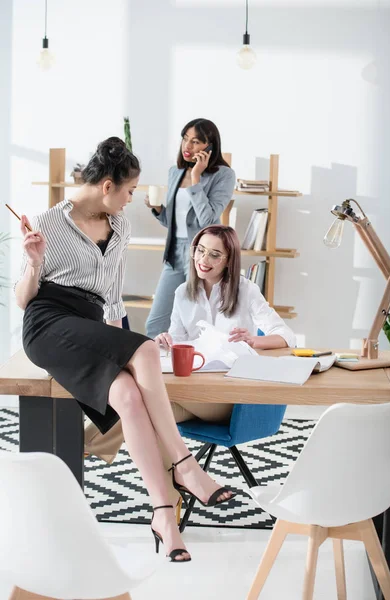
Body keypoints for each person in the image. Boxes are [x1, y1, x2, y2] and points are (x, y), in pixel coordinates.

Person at [14, 138, 235, 564]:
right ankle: (187, 467)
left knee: (131, 396)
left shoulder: (121, 226)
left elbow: (112, 302)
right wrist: (34, 261)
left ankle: (163, 516)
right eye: (130, 191)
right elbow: (25, 300)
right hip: (48, 324)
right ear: (108, 186)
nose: (133, 199)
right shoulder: (47, 223)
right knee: (149, 350)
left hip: (91, 324)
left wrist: (122, 353)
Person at [84, 224, 296, 506]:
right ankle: (171, 498)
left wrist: (253, 341)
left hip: (229, 401)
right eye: (201, 251)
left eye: (215, 255)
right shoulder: (184, 291)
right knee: (145, 409)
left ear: (228, 260)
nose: (204, 261)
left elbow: (287, 337)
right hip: (191, 394)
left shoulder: (246, 290)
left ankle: (82, 445)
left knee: (148, 399)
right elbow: (180, 341)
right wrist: (165, 342)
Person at [144, 118, 236, 339]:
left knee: (195, 325)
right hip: (174, 254)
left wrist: (196, 178)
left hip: (201, 255)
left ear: (209, 146)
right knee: (155, 325)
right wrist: (157, 209)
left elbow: (208, 222)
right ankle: (158, 371)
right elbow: (172, 223)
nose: (187, 146)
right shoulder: (175, 172)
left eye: (195, 141)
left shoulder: (224, 175)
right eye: (185, 139)